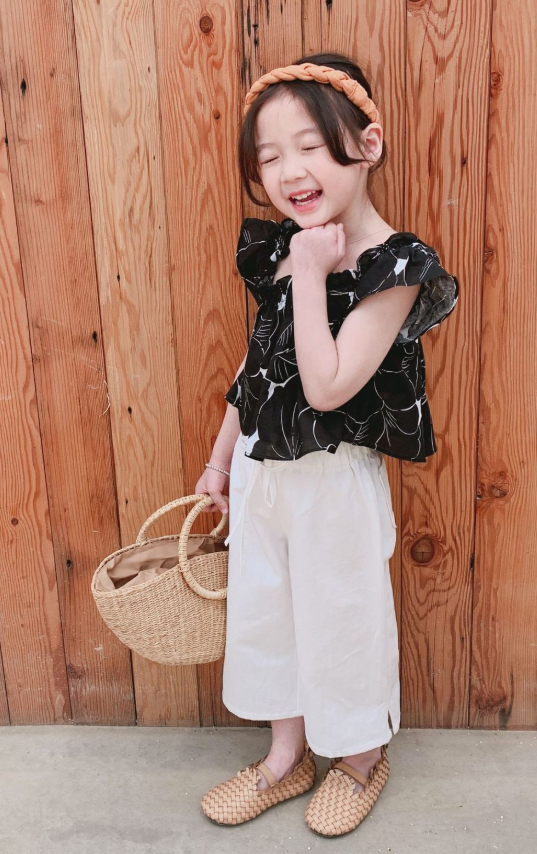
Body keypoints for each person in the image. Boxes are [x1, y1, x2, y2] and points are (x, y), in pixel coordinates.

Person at [195, 53, 459, 836]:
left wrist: (310, 275)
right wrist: (219, 460)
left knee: (342, 616)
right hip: (264, 472)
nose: (289, 171)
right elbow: (261, 363)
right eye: (270, 156)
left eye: (309, 147)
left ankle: (359, 759)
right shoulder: (293, 246)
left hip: (333, 484)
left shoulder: (394, 266)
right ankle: (287, 757)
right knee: (267, 611)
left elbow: (328, 386)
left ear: (367, 145)